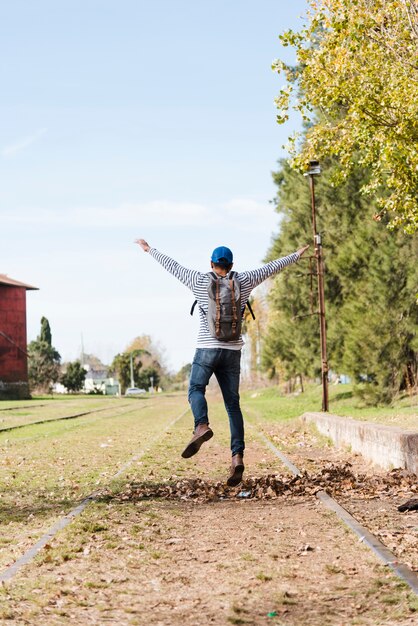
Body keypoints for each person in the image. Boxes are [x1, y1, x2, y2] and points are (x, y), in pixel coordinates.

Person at [135, 238, 310, 486]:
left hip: (207, 349)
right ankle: (237, 457)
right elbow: (271, 268)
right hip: (232, 352)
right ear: (231, 264)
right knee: (233, 406)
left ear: (211, 263)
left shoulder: (200, 280)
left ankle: (201, 425)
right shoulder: (245, 280)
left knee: (196, 389)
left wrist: (149, 249)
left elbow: (173, 267)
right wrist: (295, 254)